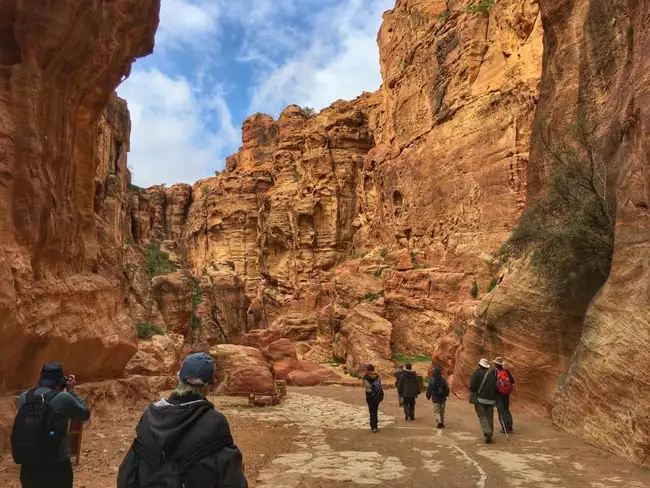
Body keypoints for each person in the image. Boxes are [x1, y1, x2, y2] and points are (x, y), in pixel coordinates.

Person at [117, 352, 248, 488]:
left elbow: (127, 477)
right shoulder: (214, 422)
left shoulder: (149, 416)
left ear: (179, 378)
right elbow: (233, 481)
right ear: (210, 386)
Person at [12, 362, 91, 488]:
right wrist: (71, 391)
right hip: (57, 465)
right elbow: (85, 414)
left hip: (29, 465)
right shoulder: (63, 398)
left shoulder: (23, 398)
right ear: (60, 380)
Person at [469, 358, 498, 444]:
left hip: (480, 399)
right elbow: (495, 388)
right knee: (490, 417)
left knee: (482, 416)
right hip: (491, 400)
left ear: (479, 365)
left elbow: (472, 387)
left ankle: (487, 432)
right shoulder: (491, 375)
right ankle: (490, 434)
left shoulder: (476, 373)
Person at [493, 357, 515, 433]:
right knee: (506, 409)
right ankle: (509, 426)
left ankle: (504, 427)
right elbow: (512, 381)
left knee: (500, 410)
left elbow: (492, 383)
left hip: (498, 394)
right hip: (506, 394)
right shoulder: (506, 371)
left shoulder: (494, 372)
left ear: (495, 364)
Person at [363, 364, 384, 433]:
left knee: (372, 412)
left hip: (370, 397)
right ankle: (375, 425)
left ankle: (373, 427)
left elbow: (368, 387)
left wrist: (370, 391)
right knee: (375, 410)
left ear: (368, 370)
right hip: (377, 396)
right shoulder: (377, 376)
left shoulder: (366, 377)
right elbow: (379, 385)